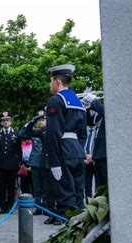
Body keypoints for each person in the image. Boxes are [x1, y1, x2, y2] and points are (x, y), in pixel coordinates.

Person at [45, 64, 87, 220]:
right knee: (78, 198)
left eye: (51, 81)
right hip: (77, 152)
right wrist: (78, 149)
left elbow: (53, 133)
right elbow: (83, 133)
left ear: (57, 81)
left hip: (63, 153)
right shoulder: (78, 102)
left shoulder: (55, 100)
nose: (50, 85)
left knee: (66, 201)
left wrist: (54, 162)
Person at [0, 112, 22, 214]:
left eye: (7, 120)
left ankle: (10, 206)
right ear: (1, 123)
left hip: (12, 164)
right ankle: (3, 206)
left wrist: (20, 162)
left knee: (11, 186)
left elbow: (19, 149)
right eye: (3, 120)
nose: (6, 122)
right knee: (2, 186)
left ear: (10, 122)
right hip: (1, 164)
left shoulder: (16, 133)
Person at [83, 93, 107, 188]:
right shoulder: (100, 116)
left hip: (105, 155)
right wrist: (86, 107)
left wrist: (93, 100)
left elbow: (103, 110)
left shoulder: (106, 111)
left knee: (105, 185)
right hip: (98, 155)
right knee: (99, 187)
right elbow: (89, 121)